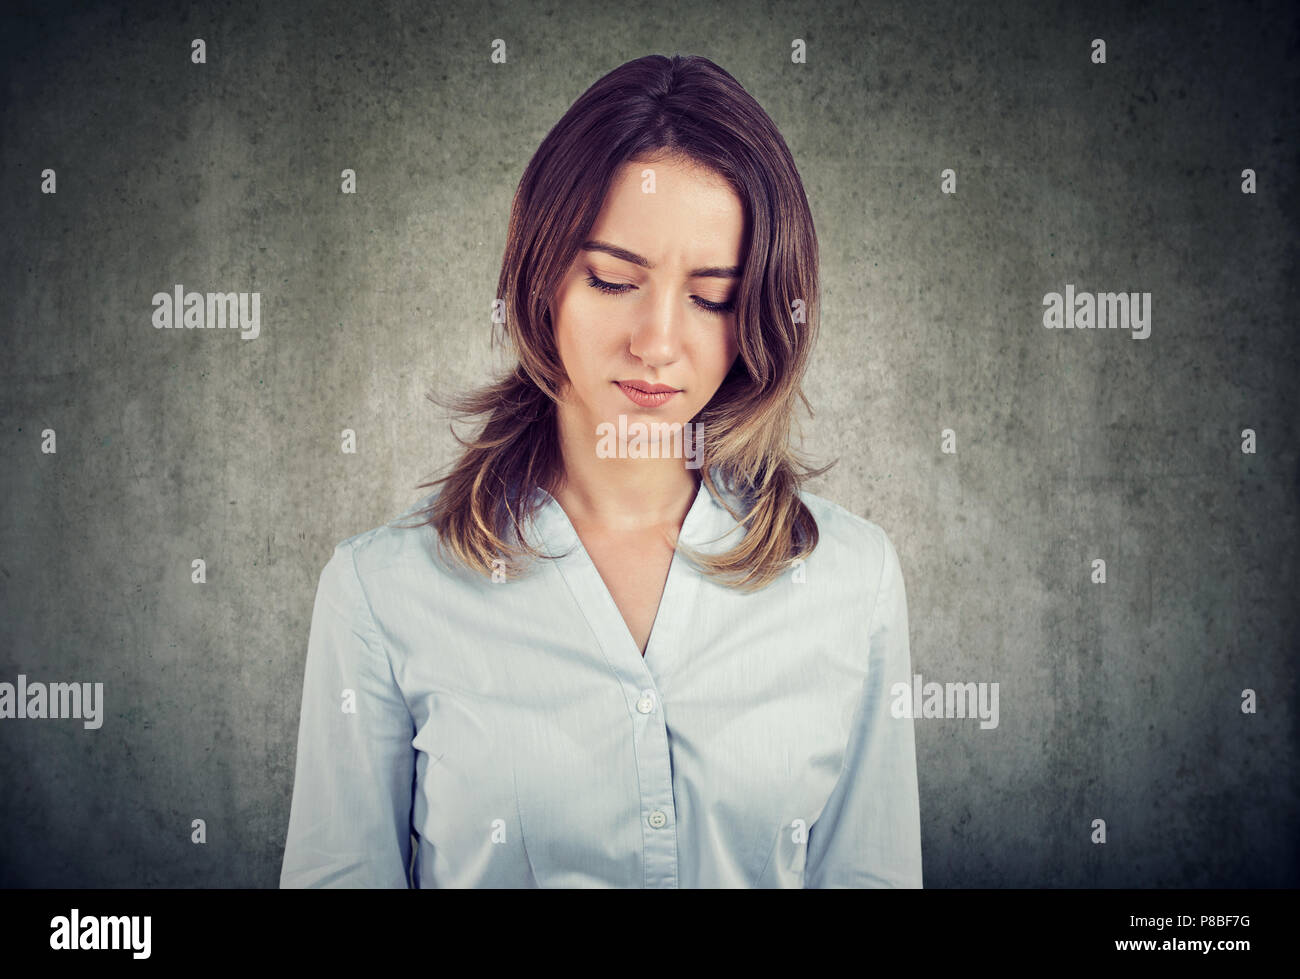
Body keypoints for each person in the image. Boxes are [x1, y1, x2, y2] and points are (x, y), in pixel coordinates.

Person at [280, 53, 922, 888]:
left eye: (712, 296)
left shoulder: (850, 580)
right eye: (615, 279)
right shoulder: (380, 591)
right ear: (541, 276)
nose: (656, 342)